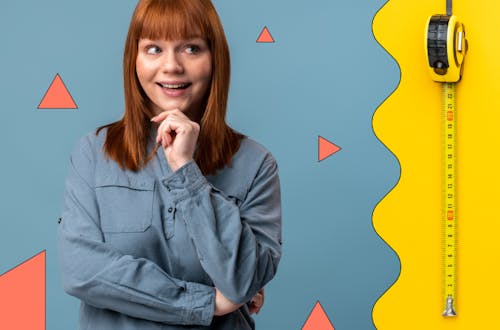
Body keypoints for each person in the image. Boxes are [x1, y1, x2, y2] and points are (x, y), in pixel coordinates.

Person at [57, 0, 282, 329]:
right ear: (133, 60)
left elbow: (241, 281)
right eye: (153, 49)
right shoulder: (94, 153)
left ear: (214, 58)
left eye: (191, 48)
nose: (171, 66)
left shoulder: (256, 165)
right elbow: (81, 270)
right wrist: (206, 303)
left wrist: (185, 170)